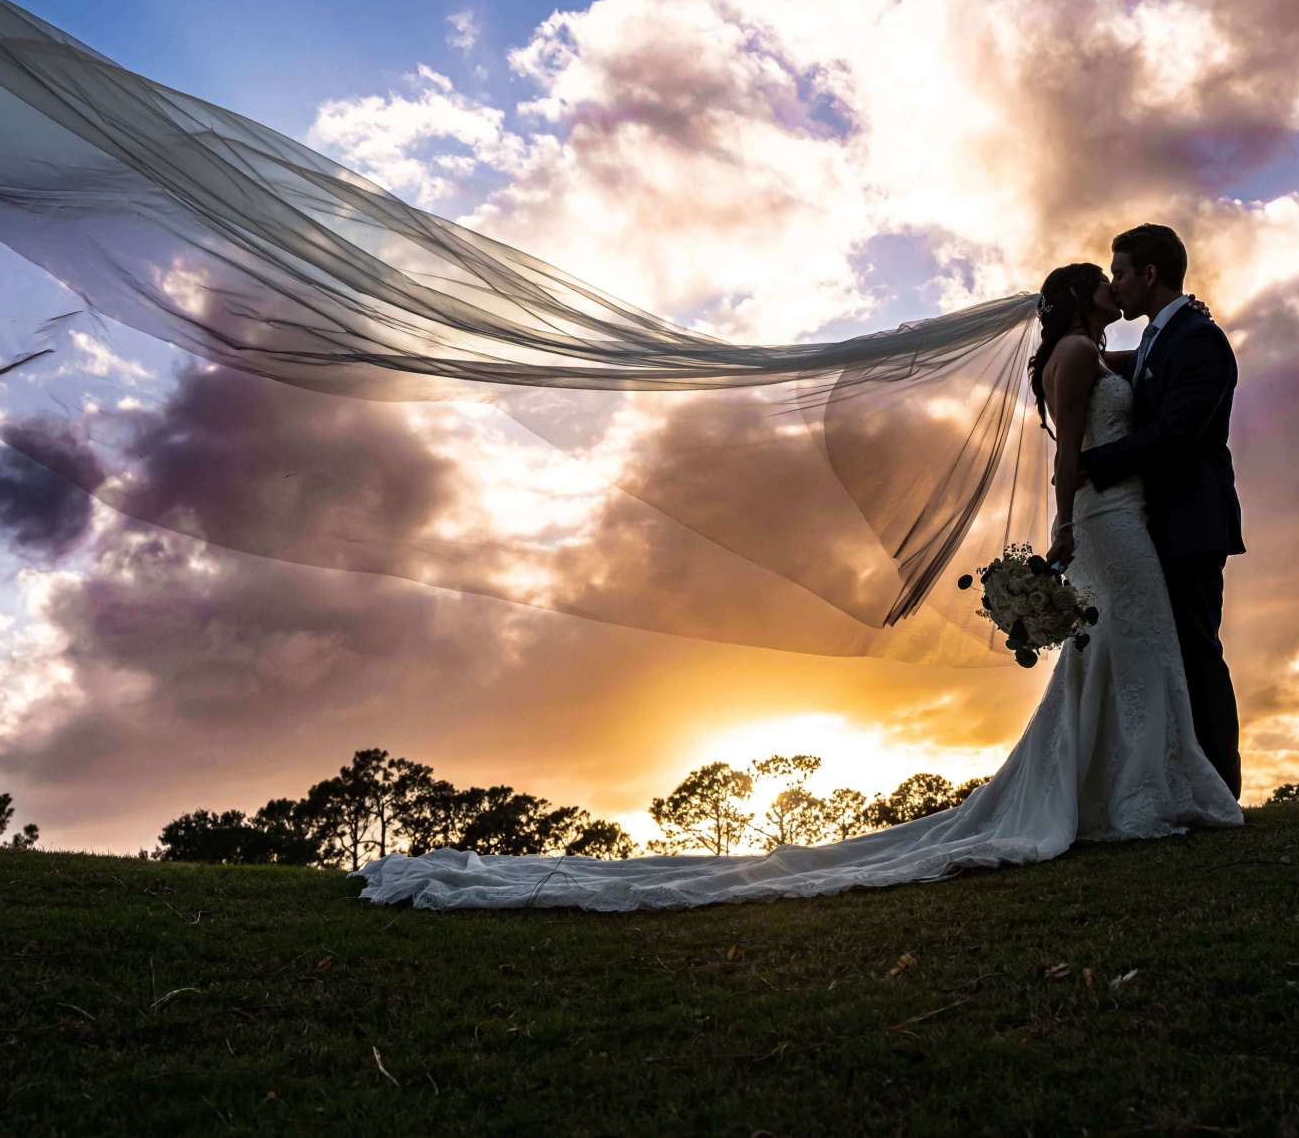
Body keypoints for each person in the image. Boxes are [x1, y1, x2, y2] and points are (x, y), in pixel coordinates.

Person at [347, 259, 1243, 911]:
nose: (1119, 289)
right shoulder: (1080, 357)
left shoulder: (1088, 354)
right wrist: (1058, 520)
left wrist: (1166, 333)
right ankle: (1148, 794)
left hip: (1113, 525)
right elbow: (1076, 451)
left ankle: (1135, 789)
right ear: (1090, 295)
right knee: (1140, 646)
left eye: (1129, 276)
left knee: (1126, 653)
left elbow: (1147, 379)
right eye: (1109, 279)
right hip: (1101, 524)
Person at [1062, 224, 1245, 799]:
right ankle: (1181, 783)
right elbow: (1098, 369)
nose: (1114, 284)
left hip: (1190, 521)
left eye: (1119, 272)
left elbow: (1176, 432)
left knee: (1196, 650)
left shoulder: (1198, 339)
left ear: (1148, 274)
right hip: (1147, 522)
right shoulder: (1158, 341)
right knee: (1165, 656)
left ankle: (1220, 786)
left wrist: (1093, 467)